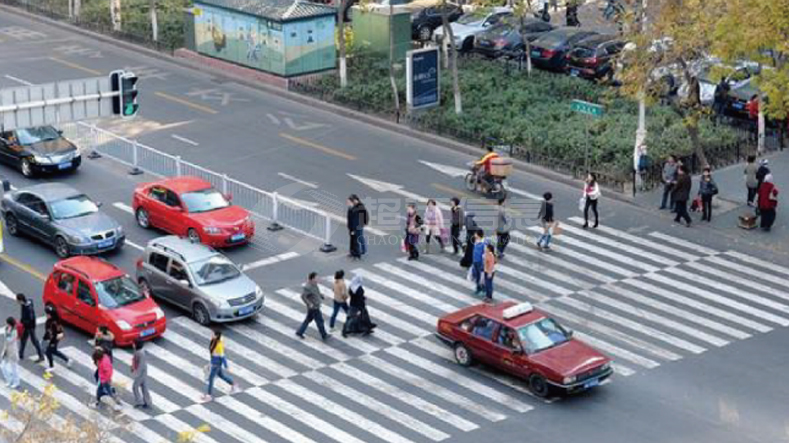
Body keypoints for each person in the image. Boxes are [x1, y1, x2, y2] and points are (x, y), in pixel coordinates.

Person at [201, 329, 239, 402]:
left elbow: (222, 356)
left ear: (216, 336)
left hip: (216, 364)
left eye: (213, 334)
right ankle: (234, 384)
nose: (211, 335)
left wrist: (226, 366)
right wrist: (210, 363)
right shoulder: (213, 340)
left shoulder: (219, 345)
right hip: (213, 362)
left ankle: (209, 395)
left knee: (210, 378)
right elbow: (212, 353)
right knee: (221, 375)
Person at [296, 272, 329, 340]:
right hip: (314, 307)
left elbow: (317, 292)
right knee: (320, 321)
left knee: (308, 320)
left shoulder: (315, 284)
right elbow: (303, 296)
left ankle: (299, 332)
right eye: (316, 277)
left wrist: (322, 296)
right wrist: (309, 304)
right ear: (312, 278)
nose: (318, 278)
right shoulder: (308, 287)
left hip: (313, 307)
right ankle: (324, 335)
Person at [42, 306, 70, 373]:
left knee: (48, 351)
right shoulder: (51, 321)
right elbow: (48, 332)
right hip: (51, 339)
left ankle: (51, 366)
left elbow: (54, 334)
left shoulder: (53, 323)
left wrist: (52, 343)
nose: (46, 315)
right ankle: (67, 360)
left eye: (48, 314)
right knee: (54, 351)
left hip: (53, 340)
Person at [16, 293, 43, 363]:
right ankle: (20, 355)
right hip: (25, 326)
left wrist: (23, 323)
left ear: (21, 300)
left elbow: (31, 319)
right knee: (23, 340)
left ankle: (41, 356)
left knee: (34, 341)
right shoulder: (25, 304)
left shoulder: (28, 308)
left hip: (30, 327)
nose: (17, 302)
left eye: (18, 301)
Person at [131, 340, 151, 409]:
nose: (132, 345)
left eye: (133, 343)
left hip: (141, 373)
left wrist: (136, 373)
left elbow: (141, 365)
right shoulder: (139, 351)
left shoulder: (140, 353)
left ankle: (139, 402)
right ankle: (147, 402)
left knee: (135, 387)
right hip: (143, 372)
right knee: (144, 387)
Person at [2, 317, 21, 389]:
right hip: (6, 350)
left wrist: (7, 335)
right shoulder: (6, 328)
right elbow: (6, 339)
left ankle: (16, 382)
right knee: (3, 366)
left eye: (7, 322)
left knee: (14, 368)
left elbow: (11, 340)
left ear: (10, 323)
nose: (6, 323)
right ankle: (9, 380)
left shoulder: (14, 331)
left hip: (12, 351)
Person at [472, 230, 487, 295]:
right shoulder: (476, 241)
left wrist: (483, 263)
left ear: (478, 235)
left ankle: (483, 289)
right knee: (476, 276)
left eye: (475, 233)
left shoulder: (483, 243)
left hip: (480, 262)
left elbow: (485, 254)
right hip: (475, 261)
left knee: (481, 277)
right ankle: (478, 288)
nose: (474, 234)